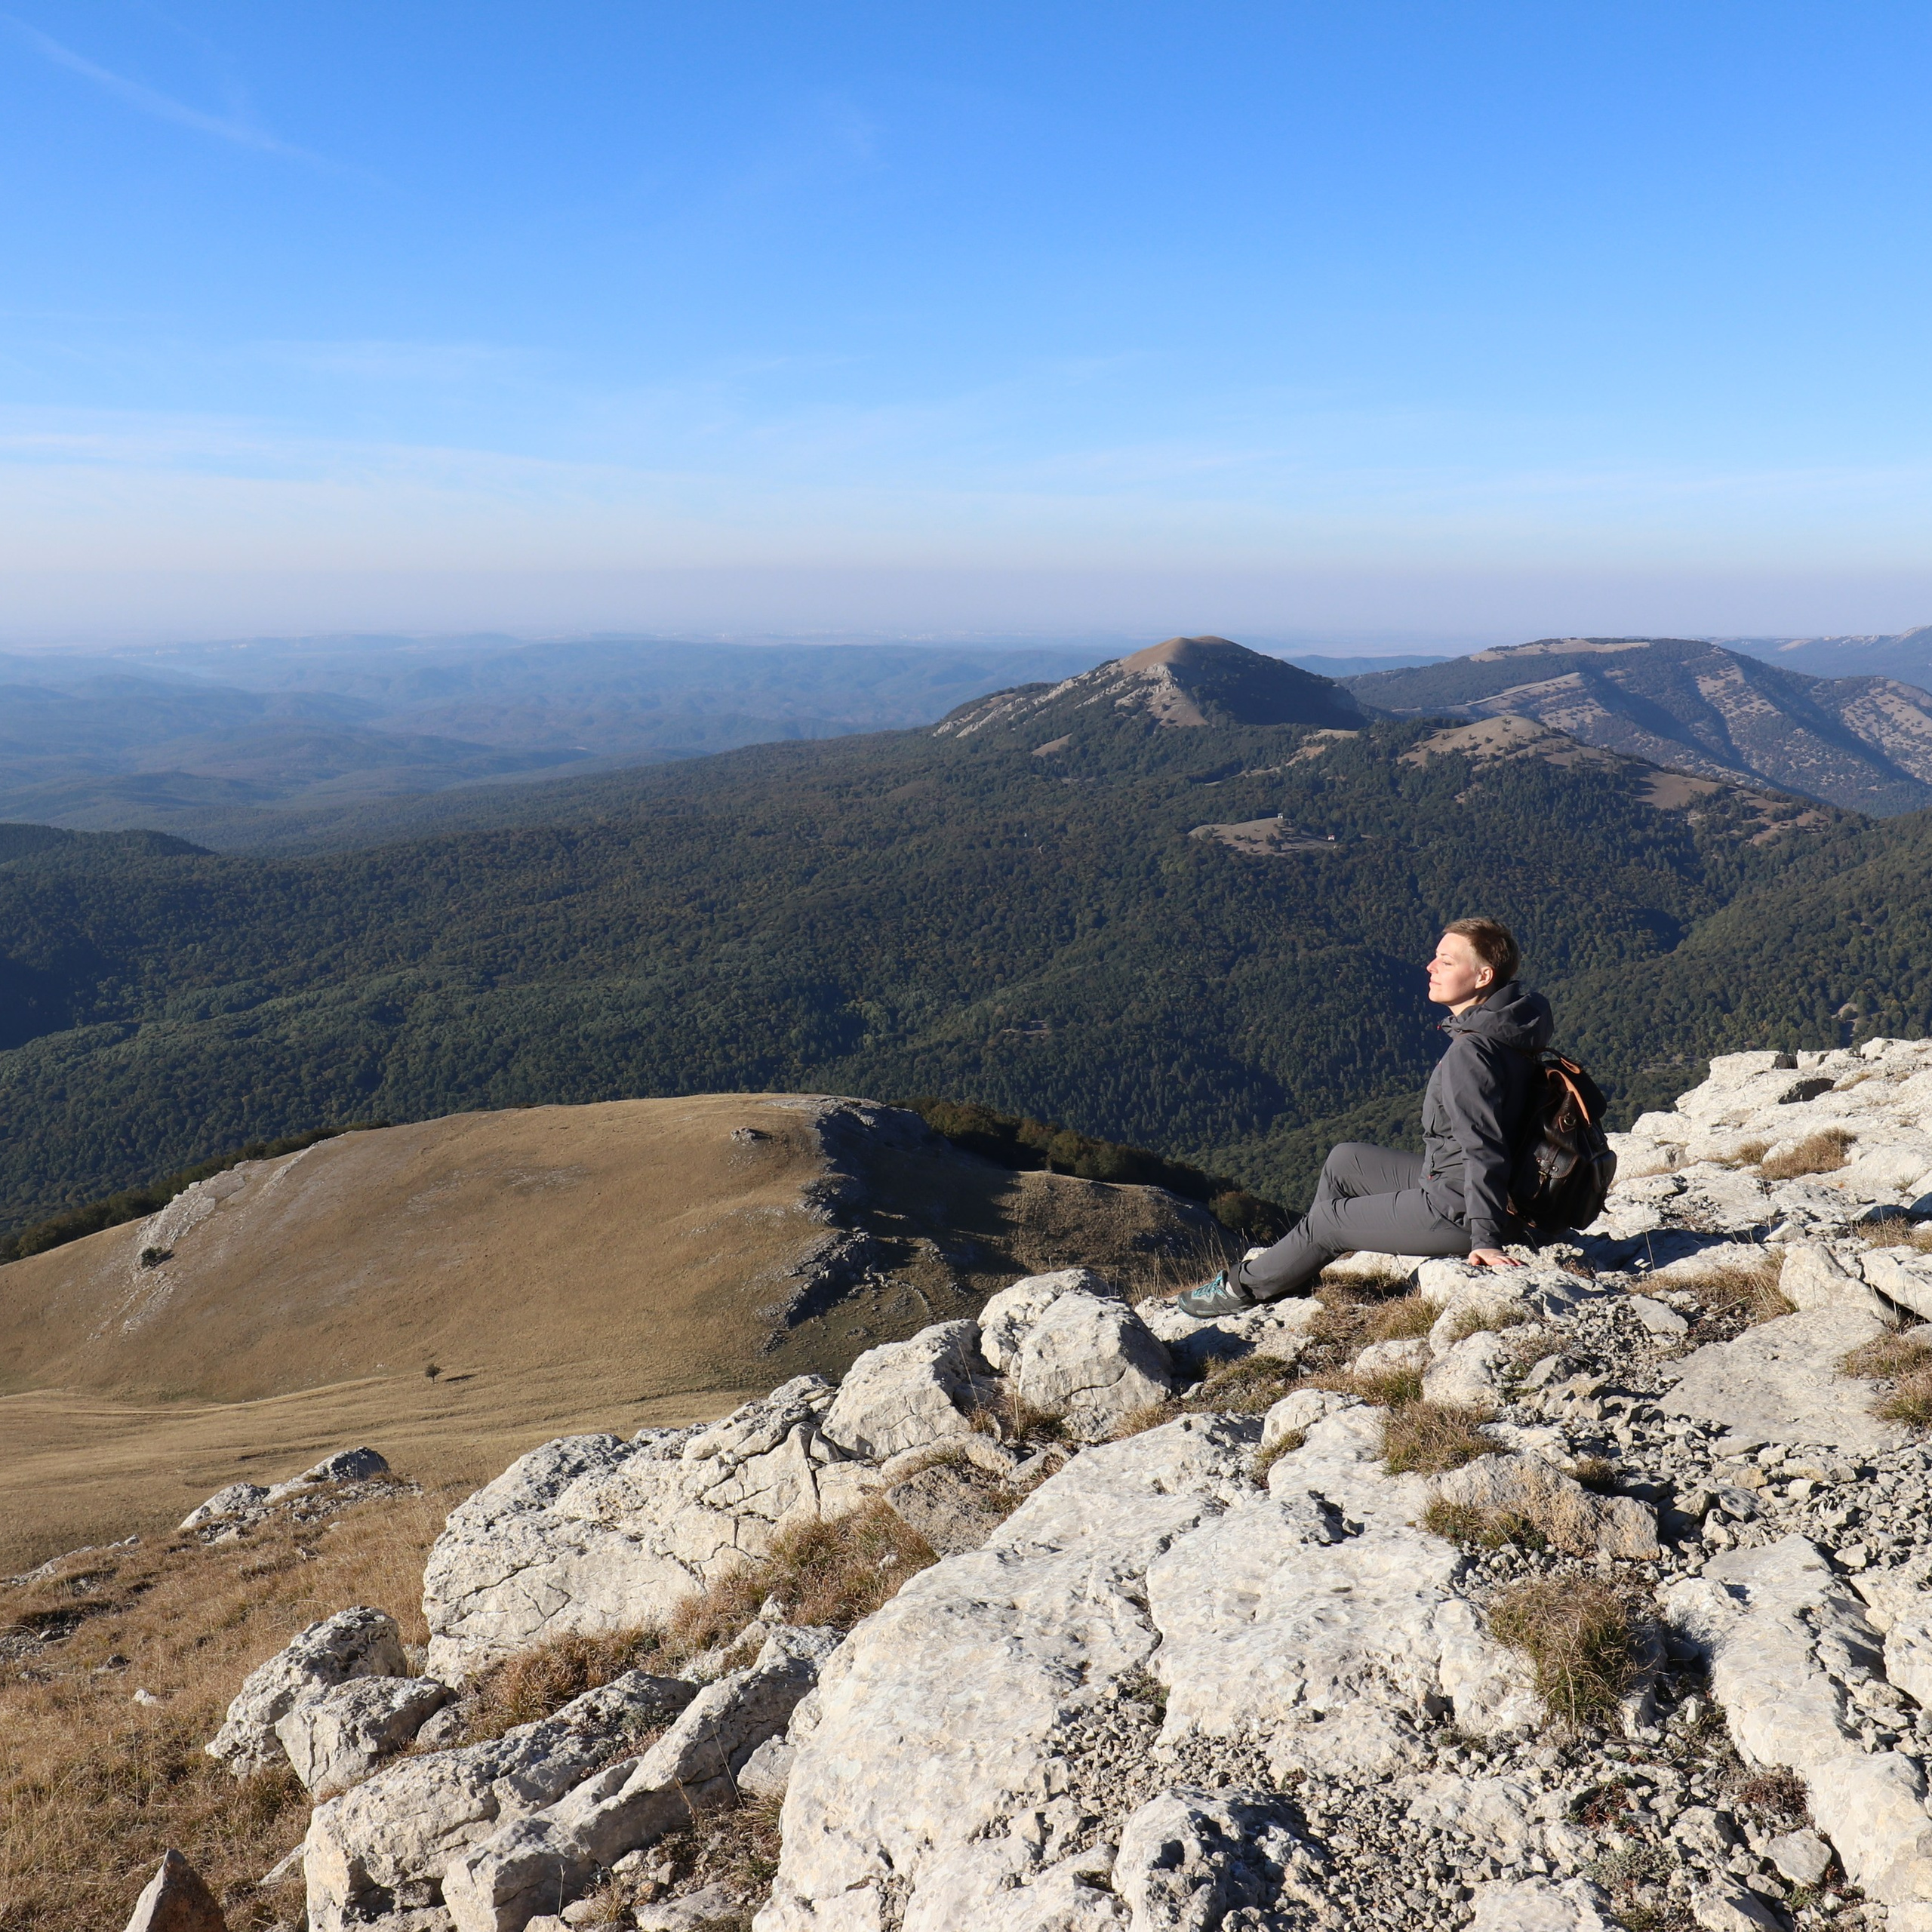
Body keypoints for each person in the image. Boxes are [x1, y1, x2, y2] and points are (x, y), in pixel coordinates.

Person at [1178, 917, 1552, 1315]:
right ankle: (1297, 1269)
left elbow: (1484, 1150)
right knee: (1346, 1160)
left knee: (1327, 1222)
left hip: (1462, 1210)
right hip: (1460, 1184)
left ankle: (1244, 1287)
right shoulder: (1507, 1027)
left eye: (1446, 961)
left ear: (1483, 977)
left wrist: (1486, 1240)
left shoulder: (1471, 1052)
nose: (1430, 967)